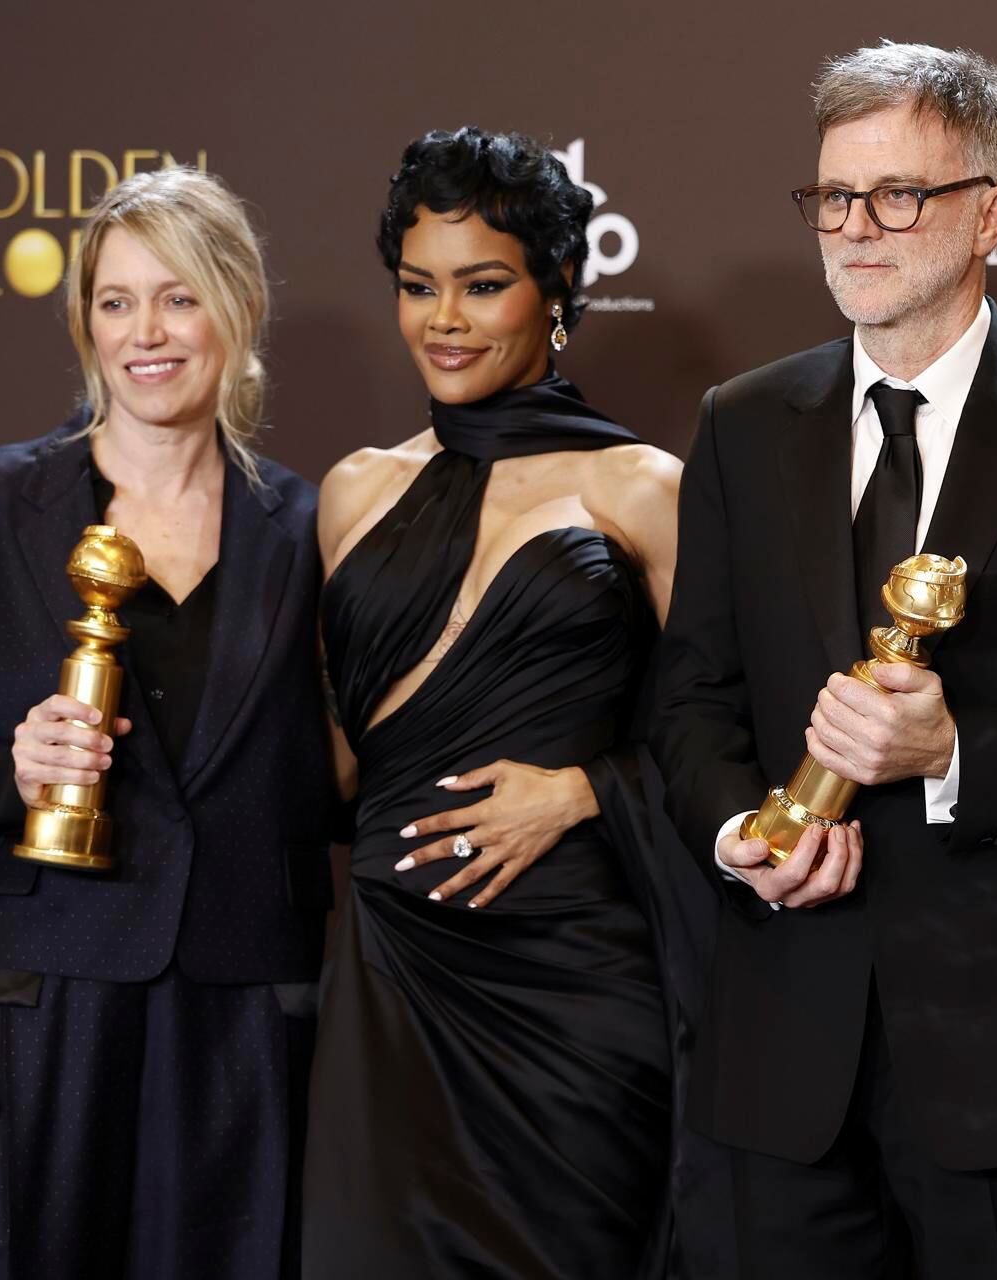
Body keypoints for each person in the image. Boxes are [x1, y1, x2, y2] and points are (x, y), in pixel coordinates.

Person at [651, 41, 997, 1277]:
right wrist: (738, 825)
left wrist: (955, 750)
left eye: (899, 194)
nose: (856, 228)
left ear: (994, 213)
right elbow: (689, 694)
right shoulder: (741, 422)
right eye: (833, 198)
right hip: (779, 1050)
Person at [0, 167, 334, 1279]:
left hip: (230, 1020)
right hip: (12, 1011)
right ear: (85, 323)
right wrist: (1, 771)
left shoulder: (315, 529)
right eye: (114, 301)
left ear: (237, 310)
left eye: (178, 297)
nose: (144, 333)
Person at [300, 127, 684, 1279]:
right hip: (393, 978)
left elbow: (723, 736)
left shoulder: (644, 486)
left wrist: (582, 790)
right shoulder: (354, 490)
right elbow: (329, 757)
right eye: (418, 287)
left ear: (556, 292)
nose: (444, 320)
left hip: (573, 978)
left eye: (483, 284)